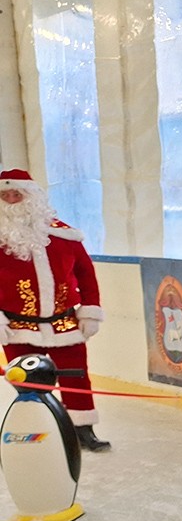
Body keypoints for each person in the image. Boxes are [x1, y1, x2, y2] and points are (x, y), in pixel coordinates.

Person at [0, 168, 111, 451]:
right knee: (29, 384)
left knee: (76, 377)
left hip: (65, 324)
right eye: (5, 195)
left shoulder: (64, 235)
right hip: (18, 328)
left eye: (17, 194)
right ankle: (38, 430)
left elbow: (86, 275)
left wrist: (90, 309)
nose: (11, 200)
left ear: (32, 196)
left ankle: (82, 430)